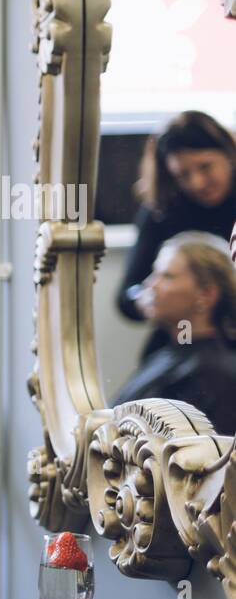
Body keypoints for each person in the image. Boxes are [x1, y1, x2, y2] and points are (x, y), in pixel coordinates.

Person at [117, 111, 236, 357]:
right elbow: (126, 295)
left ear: (229, 155)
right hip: (185, 341)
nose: (198, 183)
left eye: (205, 167)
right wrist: (151, 298)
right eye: (183, 175)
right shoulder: (162, 211)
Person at [112, 233, 236, 436]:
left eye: (167, 276)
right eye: (155, 273)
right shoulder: (167, 355)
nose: (150, 285)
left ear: (206, 295)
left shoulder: (215, 376)